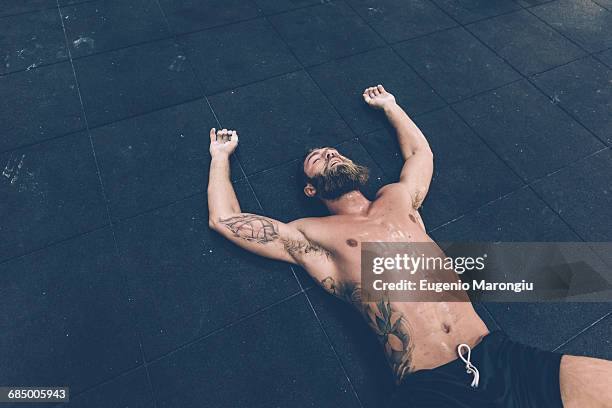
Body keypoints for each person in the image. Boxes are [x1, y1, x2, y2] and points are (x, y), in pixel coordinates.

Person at [207, 84, 612, 407]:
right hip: (431, 386)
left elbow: (420, 152)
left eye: (333, 150)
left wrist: (390, 106)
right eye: (317, 158)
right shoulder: (312, 235)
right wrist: (220, 156)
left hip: (499, 356)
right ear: (311, 188)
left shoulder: (398, 197)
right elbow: (226, 220)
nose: (329, 152)